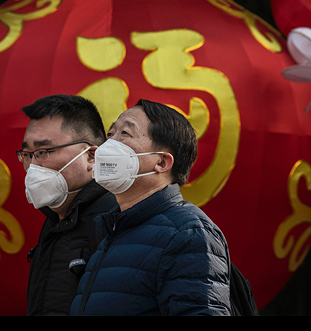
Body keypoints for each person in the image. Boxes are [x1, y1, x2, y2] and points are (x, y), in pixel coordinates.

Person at [70, 98, 231, 316]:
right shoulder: (112, 232)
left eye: (125, 134)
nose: (108, 146)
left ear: (162, 162)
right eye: (110, 134)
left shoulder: (188, 234)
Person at [18, 94, 117, 315]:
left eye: (43, 152)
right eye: (27, 154)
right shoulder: (55, 221)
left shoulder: (117, 220)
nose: (32, 166)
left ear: (92, 156)